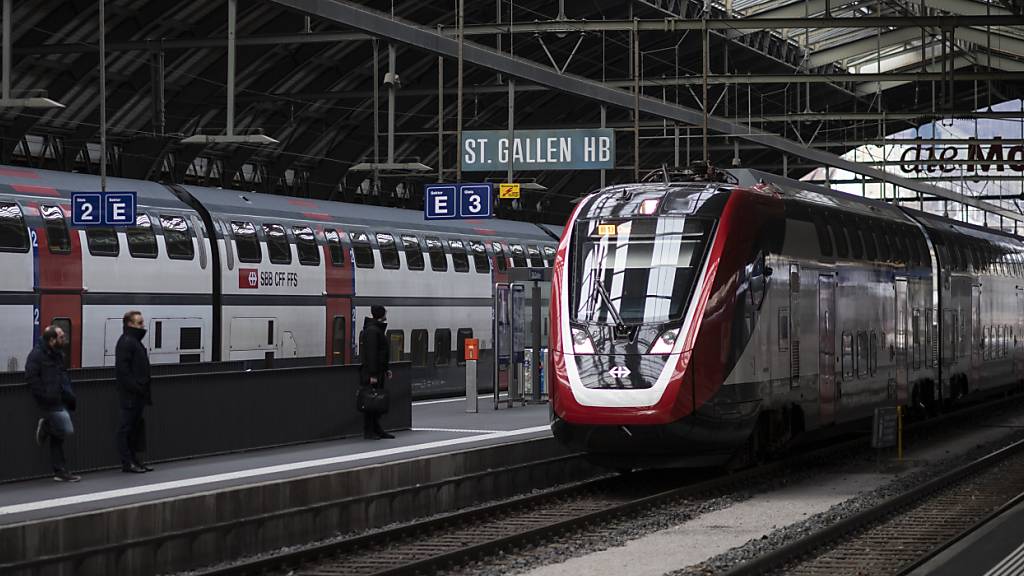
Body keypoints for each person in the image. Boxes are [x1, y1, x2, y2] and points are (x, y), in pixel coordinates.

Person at [26, 325, 80, 482]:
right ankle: (60, 470)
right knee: (65, 430)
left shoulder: (57, 354)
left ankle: (60, 471)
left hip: (60, 398)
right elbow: (31, 377)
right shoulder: (36, 355)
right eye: (62, 337)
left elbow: (62, 375)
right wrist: (43, 396)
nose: (65, 339)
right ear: (51, 340)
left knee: (61, 434)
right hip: (49, 400)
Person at [116, 310, 153, 473]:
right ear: (129, 324)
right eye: (139, 323)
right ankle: (128, 462)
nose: (142, 326)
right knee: (126, 429)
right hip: (131, 395)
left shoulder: (132, 341)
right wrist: (137, 387)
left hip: (136, 394)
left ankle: (134, 461)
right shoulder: (127, 342)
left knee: (134, 428)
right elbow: (123, 371)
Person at [359, 305, 394, 440]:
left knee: (376, 402)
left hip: (377, 372)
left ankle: (377, 429)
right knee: (371, 403)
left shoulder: (374, 329)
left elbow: (381, 354)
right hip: (372, 374)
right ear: (381, 314)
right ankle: (369, 431)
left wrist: (386, 369)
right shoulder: (373, 331)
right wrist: (373, 375)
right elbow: (372, 354)